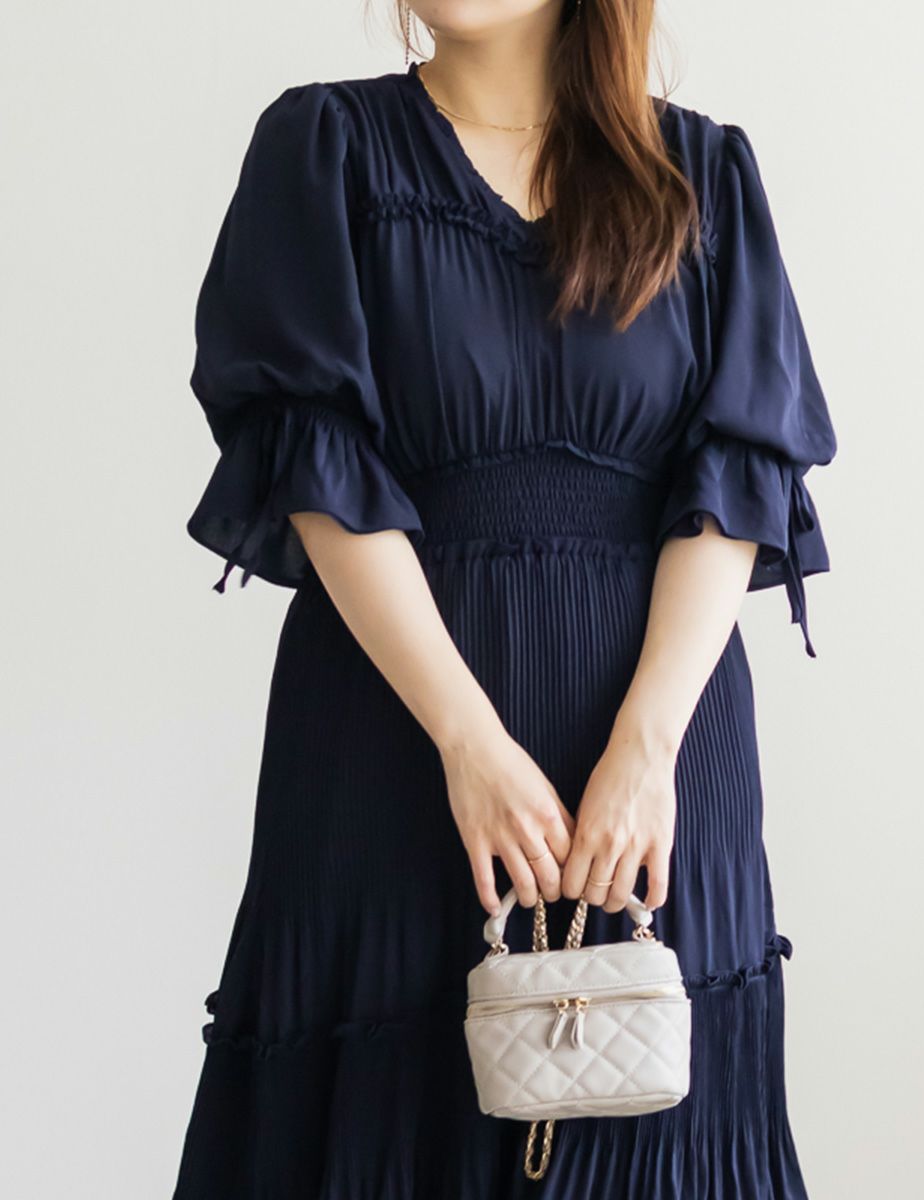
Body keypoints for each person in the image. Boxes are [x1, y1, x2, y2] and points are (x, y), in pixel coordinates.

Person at [171, 2, 837, 1196]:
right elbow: (318, 465)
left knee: (660, 1123)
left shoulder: (703, 174)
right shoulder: (323, 150)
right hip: (392, 742)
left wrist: (646, 752)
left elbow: (737, 480)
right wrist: (466, 743)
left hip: (660, 757)